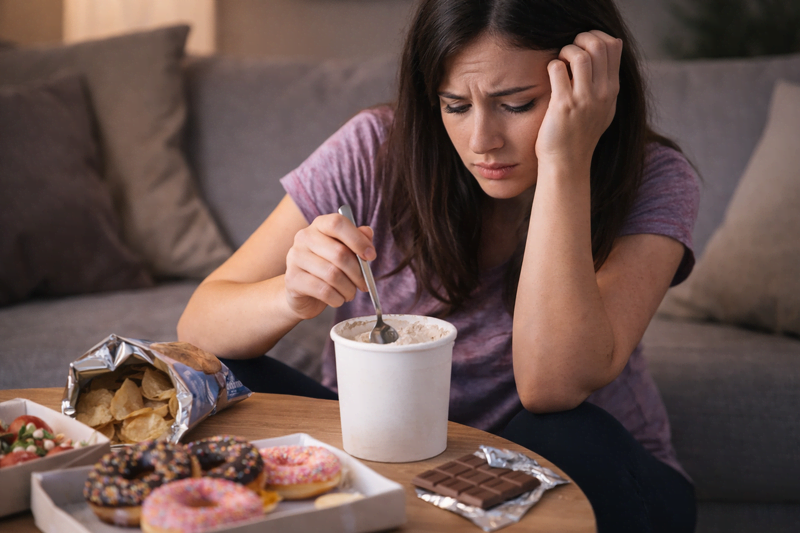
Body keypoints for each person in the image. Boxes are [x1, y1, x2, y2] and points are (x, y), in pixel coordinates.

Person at [178, 0, 699, 530]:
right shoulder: (373, 149)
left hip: (585, 476)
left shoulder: (655, 178)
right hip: (393, 460)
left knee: (569, 431)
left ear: (590, 87)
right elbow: (197, 328)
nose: (482, 143)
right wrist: (289, 294)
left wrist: (567, 160)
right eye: (455, 105)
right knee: (225, 377)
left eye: (517, 105)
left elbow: (551, 385)